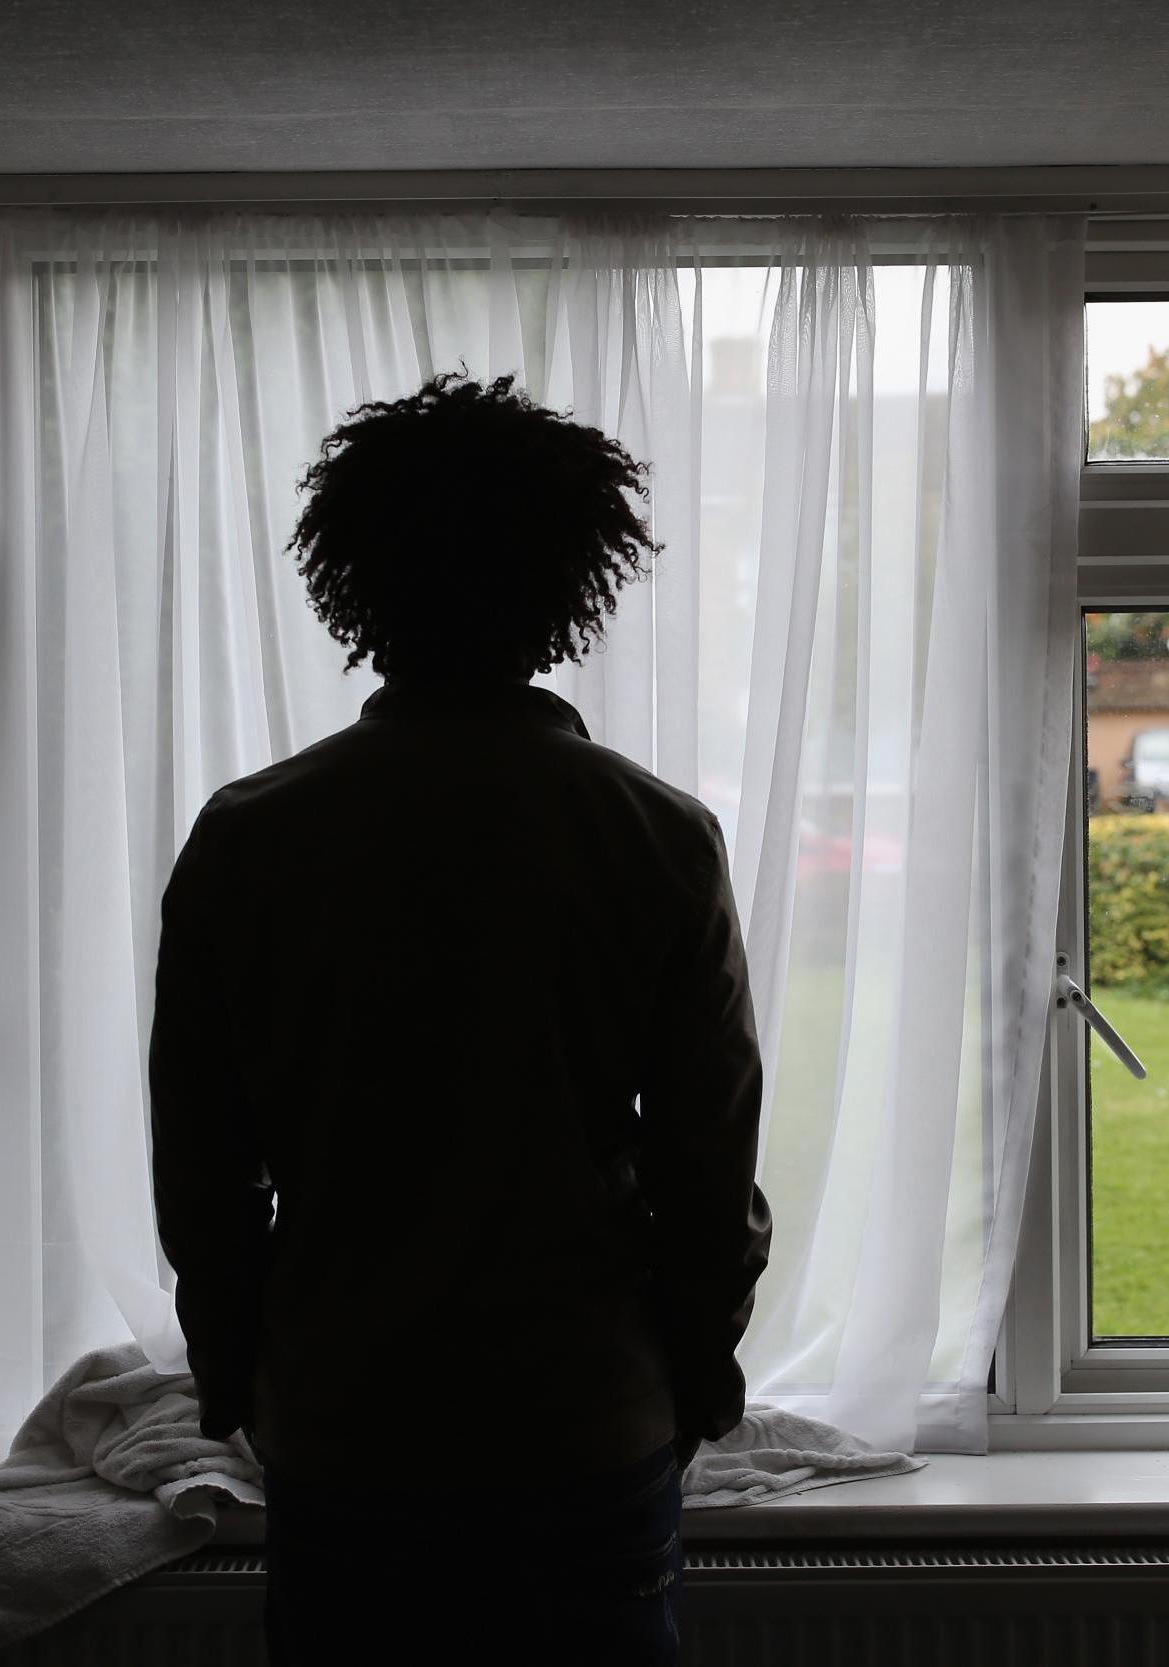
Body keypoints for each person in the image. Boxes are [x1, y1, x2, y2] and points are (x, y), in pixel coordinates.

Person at [149, 371, 772, 1665]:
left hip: (343, 1418)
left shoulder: (254, 835)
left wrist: (230, 1367)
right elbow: (704, 1155)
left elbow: (204, 1157)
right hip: (580, 1414)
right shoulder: (652, 834)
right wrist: (699, 1363)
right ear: (573, 587)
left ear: (352, 581)